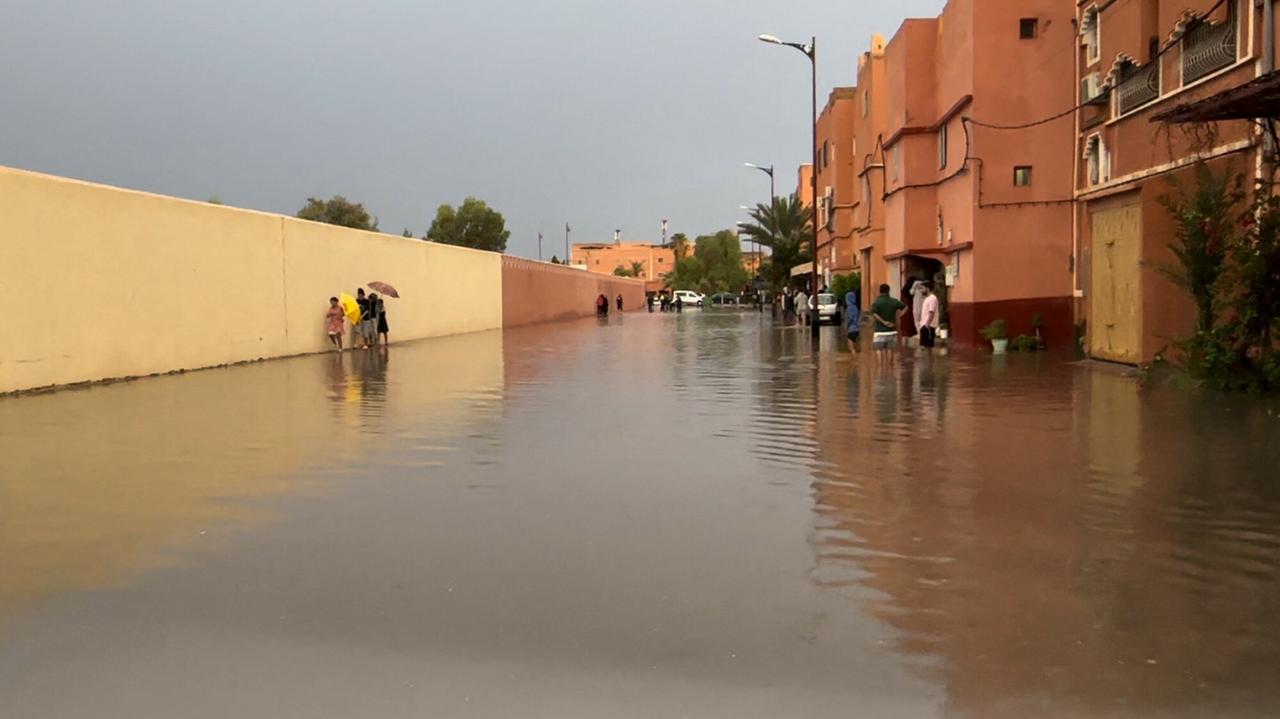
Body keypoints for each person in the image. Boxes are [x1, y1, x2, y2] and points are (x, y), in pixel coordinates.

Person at [870, 284, 907, 365]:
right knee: (890, 349)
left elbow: (873, 313)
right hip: (892, 331)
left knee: (879, 350)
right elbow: (905, 306)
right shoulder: (894, 301)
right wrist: (900, 315)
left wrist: (883, 322)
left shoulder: (876, 302)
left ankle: (881, 370)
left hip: (879, 331)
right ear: (888, 291)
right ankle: (889, 369)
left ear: (879, 291)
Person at [917, 282, 940, 353]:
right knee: (924, 347)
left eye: (922, 288)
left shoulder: (932, 298)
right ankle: (927, 362)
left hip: (928, 326)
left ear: (928, 289)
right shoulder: (927, 298)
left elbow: (931, 312)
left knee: (928, 347)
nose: (921, 290)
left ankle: (930, 362)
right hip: (924, 325)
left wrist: (927, 325)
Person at [899, 278, 920, 348]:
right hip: (909, 309)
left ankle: (904, 341)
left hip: (905, 311)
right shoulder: (911, 291)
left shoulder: (904, 290)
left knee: (905, 326)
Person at [844, 289, 861, 355]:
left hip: (851, 330)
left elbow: (849, 319)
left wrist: (846, 327)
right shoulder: (856, 307)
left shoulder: (850, 308)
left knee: (851, 347)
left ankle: (854, 360)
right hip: (857, 329)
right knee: (853, 345)